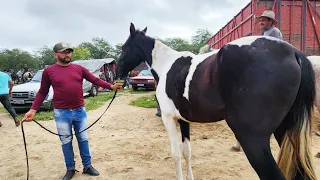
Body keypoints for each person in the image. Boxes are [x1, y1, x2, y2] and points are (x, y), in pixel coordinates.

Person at [23, 42, 123, 180]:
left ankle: (87, 166)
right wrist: (33, 110)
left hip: (79, 111)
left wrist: (110, 86)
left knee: (83, 139)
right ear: (55, 54)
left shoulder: (79, 68)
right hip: (61, 113)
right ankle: (70, 169)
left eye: (69, 51)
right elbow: (42, 92)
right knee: (66, 142)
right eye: (64, 52)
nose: (67, 54)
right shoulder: (49, 71)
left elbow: (94, 79)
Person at [231, 10, 283, 152]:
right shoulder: (266, 33)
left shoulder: (274, 32)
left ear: (271, 22)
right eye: (261, 20)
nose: (261, 22)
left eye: (264, 20)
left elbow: (273, 51)